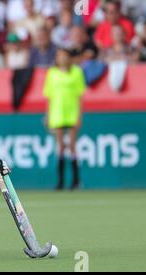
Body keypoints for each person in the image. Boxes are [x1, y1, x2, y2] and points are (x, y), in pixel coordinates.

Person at [43, 48, 86, 191]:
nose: (62, 59)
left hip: (72, 111)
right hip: (57, 112)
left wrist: (80, 115)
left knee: (72, 146)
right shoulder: (52, 73)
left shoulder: (77, 72)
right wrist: (47, 115)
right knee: (60, 146)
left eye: (64, 56)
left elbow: (80, 96)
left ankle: (76, 181)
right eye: (59, 56)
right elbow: (49, 96)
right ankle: (60, 181)